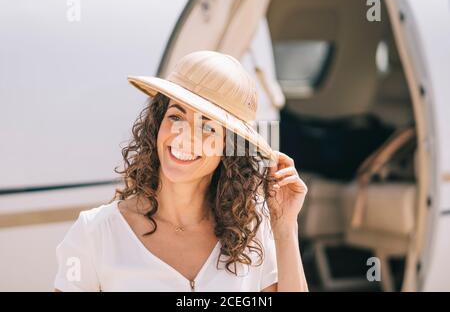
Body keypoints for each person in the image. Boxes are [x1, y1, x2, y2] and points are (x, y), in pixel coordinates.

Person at [54, 50, 308, 292]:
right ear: (157, 123)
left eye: (207, 127)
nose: (184, 136)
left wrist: (285, 227)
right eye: (176, 117)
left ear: (228, 147)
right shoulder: (94, 233)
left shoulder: (251, 232)